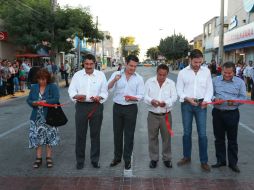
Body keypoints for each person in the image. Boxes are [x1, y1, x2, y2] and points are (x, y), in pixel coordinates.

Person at [68, 54, 108, 170]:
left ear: (95, 64)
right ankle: (80, 161)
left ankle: (95, 160)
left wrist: (99, 97)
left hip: (96, 107)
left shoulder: (101, 75)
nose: (89, 66)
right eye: (86, 64)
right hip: (81, 107)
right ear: (83, 64)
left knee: (95, 135)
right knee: (80, 135)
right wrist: (76, 96)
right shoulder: (77, 75)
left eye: (91, 64)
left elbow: (105, 92)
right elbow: (71, 90)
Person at [176, 49, 213, 172]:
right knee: (187, 132)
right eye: (195, 62)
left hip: (201, 105)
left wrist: (206, 101)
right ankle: (186, 157)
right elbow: (179, 90)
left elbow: (209, 89)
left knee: (202, 134)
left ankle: (204, 161)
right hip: (187, 104)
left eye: (199, 62)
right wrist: (187, 98)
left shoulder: (206, 72)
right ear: (190, 60)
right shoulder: (182, 73)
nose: (197, 65)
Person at [108, 54, 145, 170]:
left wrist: (132, 98)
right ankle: (117, 157)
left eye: (135, 66)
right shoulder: (116, 74)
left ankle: (127, 159)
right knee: (117, 134)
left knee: (129, 135)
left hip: (131, 108)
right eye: (131, 65)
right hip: (117, 107)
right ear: (125, 64)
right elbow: (108, 88)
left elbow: (141, 95)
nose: (132, 68)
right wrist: (114, 80)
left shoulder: (139, 78)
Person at [211, 62, 246, 173]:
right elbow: (209, 94)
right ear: (221, 71)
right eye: (225, 72)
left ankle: (233, 163)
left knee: (232, 140)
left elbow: (243, 97)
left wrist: (235, 103)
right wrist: (213, 98)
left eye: (230, 73)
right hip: (218, 112)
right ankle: (221, 160)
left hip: (232, 113)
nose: (227, 75)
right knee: (219, 139)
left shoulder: (240, 82)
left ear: (234, 72)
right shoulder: (215, 80)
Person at [144, 64, 177, 168]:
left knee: (166, 138)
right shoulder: (149, 82)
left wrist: (166, 103)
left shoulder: (171, 83)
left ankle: (167, 159)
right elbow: (145, 95)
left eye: (164, 75)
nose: (162, 77)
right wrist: (151, 101)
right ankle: (154, 159)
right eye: (160, 74)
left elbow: (174, 97)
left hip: (166, 115)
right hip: (152, 115)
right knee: (152, 137)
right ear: (156, 72)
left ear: (167, 74)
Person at [26, 68, 60, 168]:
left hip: (49, 117)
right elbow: (29, 99)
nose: (42, 81)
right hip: (36, 118)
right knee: (37, 138)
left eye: (44, 79)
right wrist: (34, 103)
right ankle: (38, 158)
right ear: (37, 79)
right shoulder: (34, 87)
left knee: (49, 138)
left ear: (48, 79)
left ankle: (49, 158)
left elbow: (56, 98)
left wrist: (46, 102)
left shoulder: (52, 87)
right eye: (40, 79)